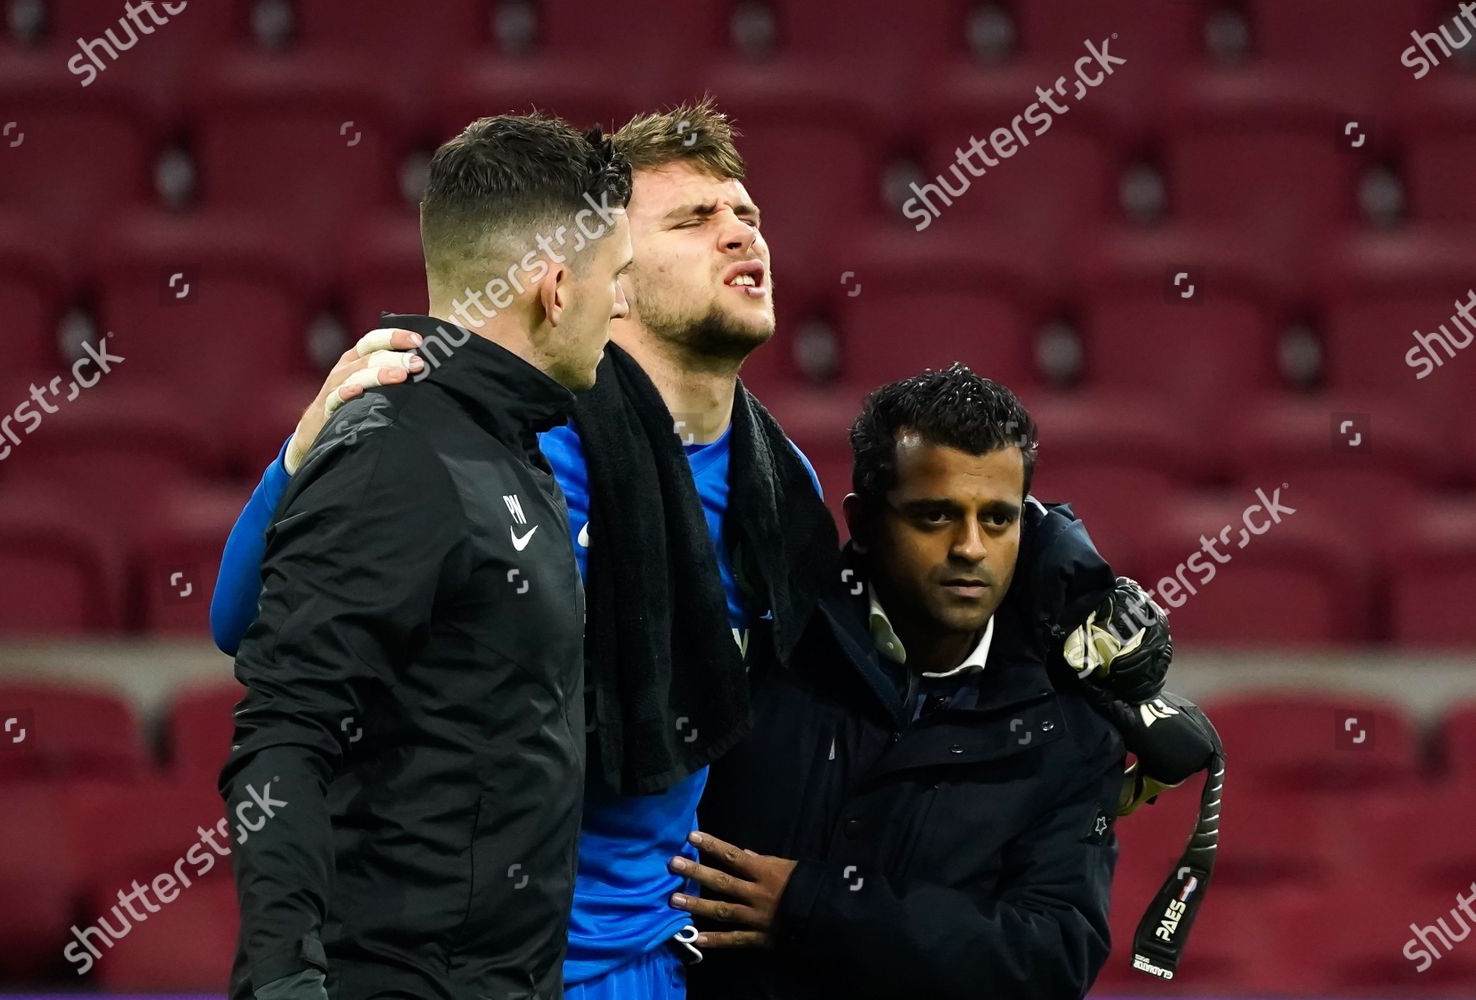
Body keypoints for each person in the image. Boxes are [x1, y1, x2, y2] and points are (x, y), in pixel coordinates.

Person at [211, 100, 1171, 1000]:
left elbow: (881, 672)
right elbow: (248, 629)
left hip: (659, 961)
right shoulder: (500, 444)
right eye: (694, 218)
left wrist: (1075, 691)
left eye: (746, 211)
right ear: (607, 275)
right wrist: (302, 455)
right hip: (469, 962)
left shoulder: (778, 485)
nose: (741, 232)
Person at [219, 113, 633, 1000]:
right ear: (557, 289)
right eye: (616, 280)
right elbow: (285, 733)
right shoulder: (397, 458)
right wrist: (285, 983)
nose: (621, 306)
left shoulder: (509, 448)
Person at [671, 366, 1174, 999]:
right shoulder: (767, 644)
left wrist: (814, 906)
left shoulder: (1071, 723)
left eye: (997, 519)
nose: (970, 548)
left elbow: (1050, 956)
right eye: (934, 516)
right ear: (864, 521)